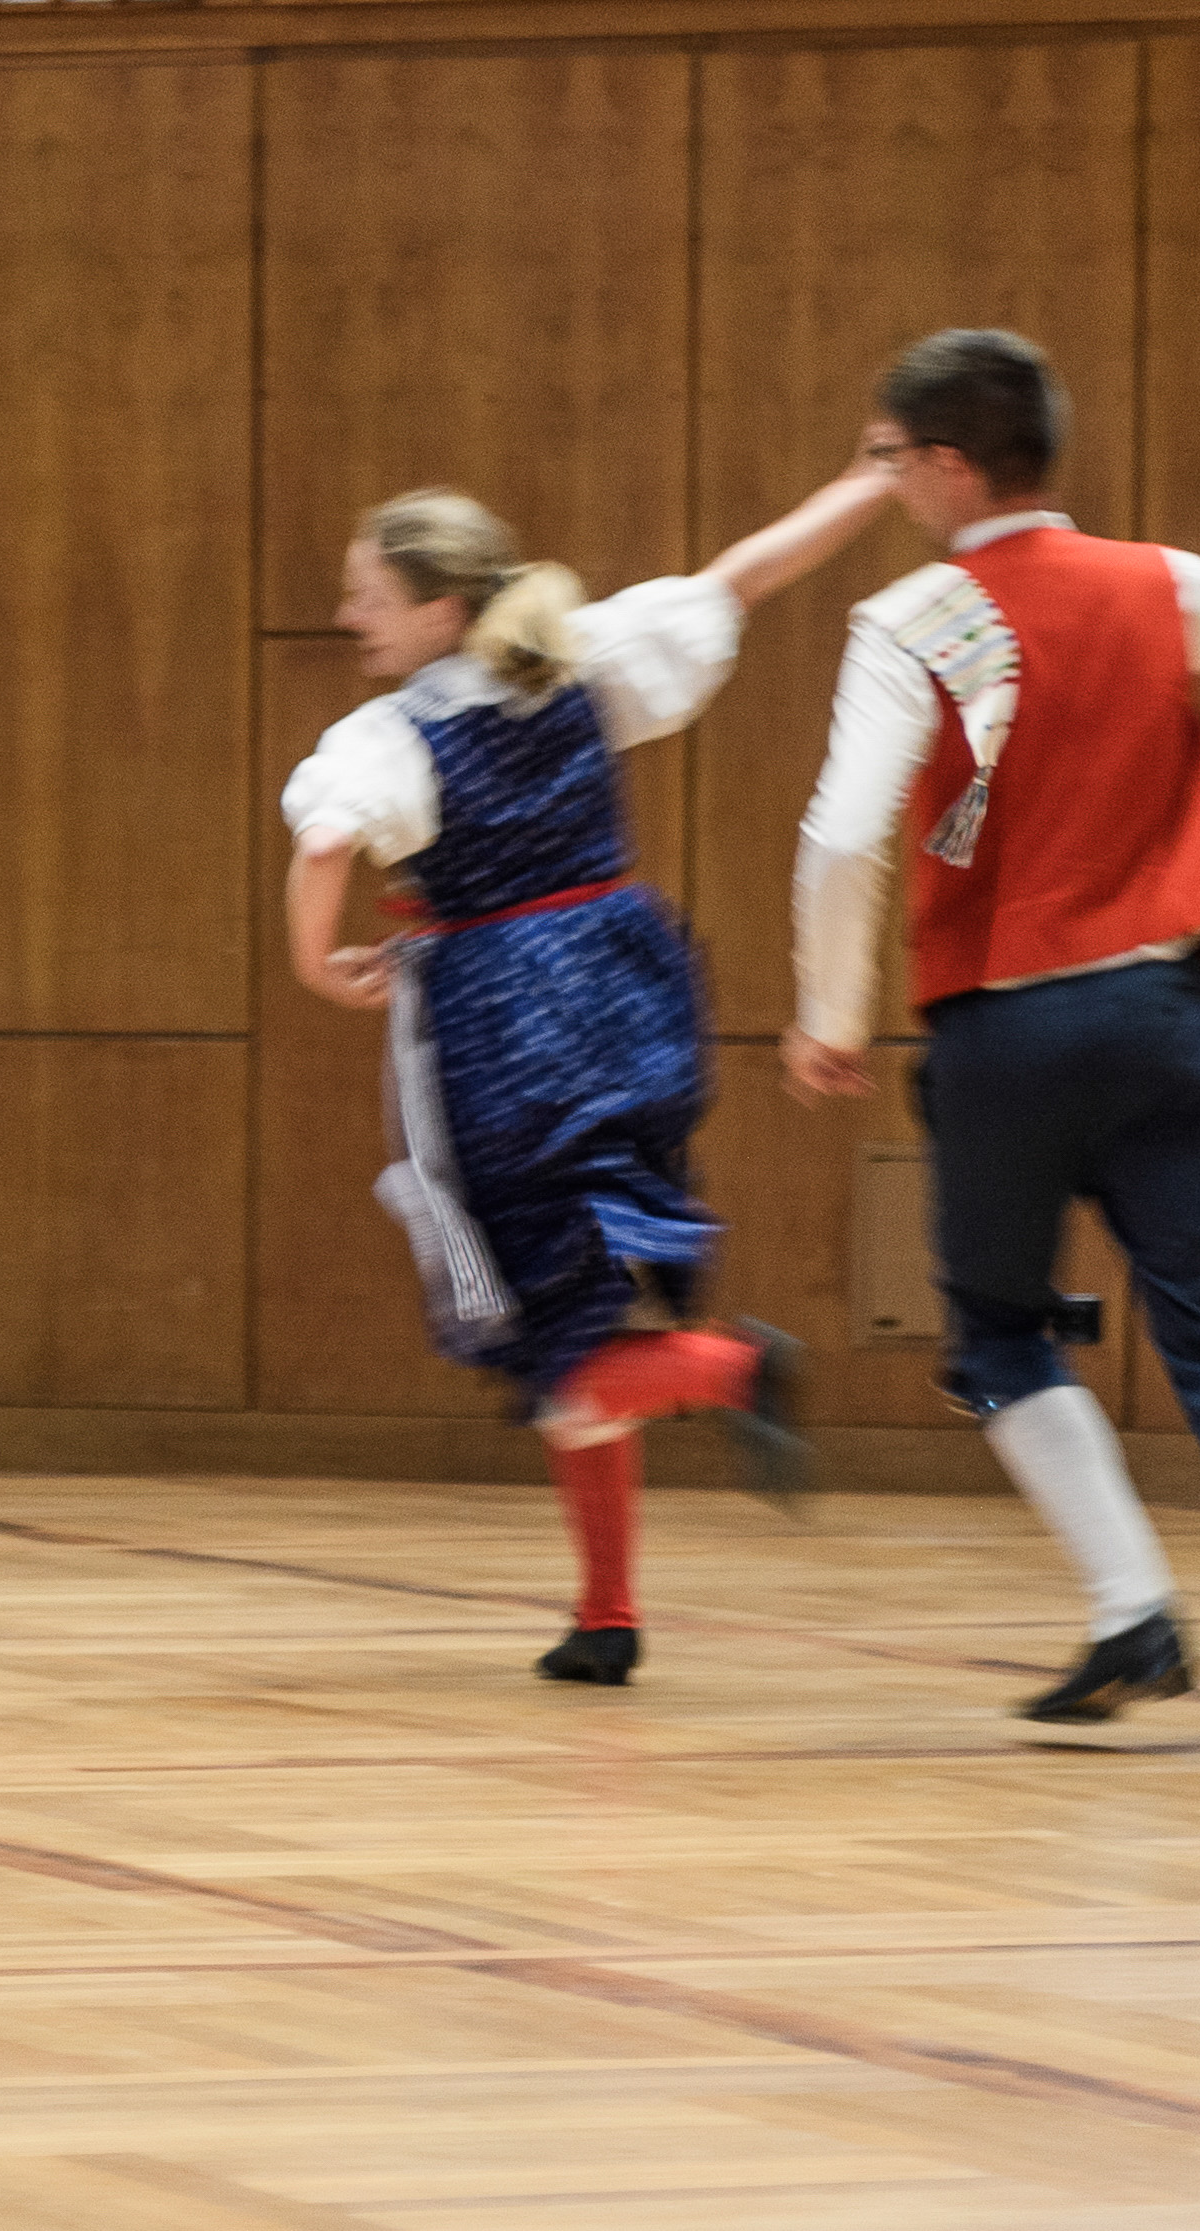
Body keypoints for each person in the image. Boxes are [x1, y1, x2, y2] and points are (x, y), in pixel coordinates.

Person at [783, 328, 1200, 1768]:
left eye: (892, 458)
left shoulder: (915, 619)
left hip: (1004, 1030)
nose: (888, 483)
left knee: (995, 1328)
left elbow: (840, 830)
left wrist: (828, 1014)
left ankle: (1132, 1607)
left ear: (951, 462)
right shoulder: (1156, 584)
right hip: (1164, 1020)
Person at [280, 469, 892, 1685]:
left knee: (541, 1328)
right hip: (622, 990)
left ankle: (731, 1369)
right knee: (583, 1311)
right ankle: (605, 1613)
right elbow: (745, 574)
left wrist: (311, 961)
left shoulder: (388, 735)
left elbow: (326, 836)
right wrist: (871, 480)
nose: (349, 616)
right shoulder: (582, 658)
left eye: (367, 596)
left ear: (437, 610)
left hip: (494, 1025)